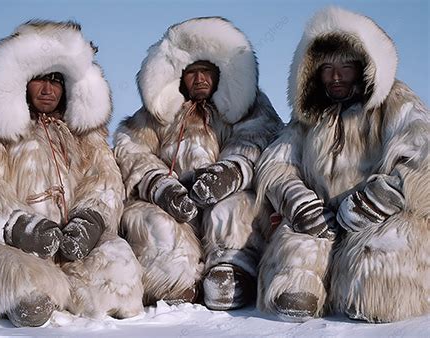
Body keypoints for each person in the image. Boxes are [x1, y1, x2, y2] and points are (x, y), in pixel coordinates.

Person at [0, 20, 143, 327]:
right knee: (27, 297)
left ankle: (76, 296)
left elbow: (105, 182)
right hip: (9, 246)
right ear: (21, 82)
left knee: (121, 275)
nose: (47, 90)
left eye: (55, 81)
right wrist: (20, 227)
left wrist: (89, 221)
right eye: (38, 80)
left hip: (70, 247)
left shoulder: (84, 135)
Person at [255, 7, 429, 323]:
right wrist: (298, 200)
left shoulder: (395, 103)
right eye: (327, 68)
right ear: (312, 72)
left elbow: (423, 158)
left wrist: (381, 197)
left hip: (376, 221)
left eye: (346, 67)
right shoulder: (308, 118)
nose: (336, 76)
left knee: (383, 276)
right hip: (322, 220)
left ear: (365, 69)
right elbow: (276, 165)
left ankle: (363, 291)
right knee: (294, 260)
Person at [114, 17, 283, 310]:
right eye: (192, 73)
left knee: (233, 207)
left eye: (207, 72)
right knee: (149, 219)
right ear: (179, 76)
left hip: (226, 198)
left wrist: (229, 172)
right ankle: (175, 280)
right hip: (175, 204)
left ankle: (231, 269)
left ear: (221, 74)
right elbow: (131, 149)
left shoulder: (247, 107)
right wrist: (160, 185)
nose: (200, 79)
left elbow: (259, 139)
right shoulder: (158, 115)